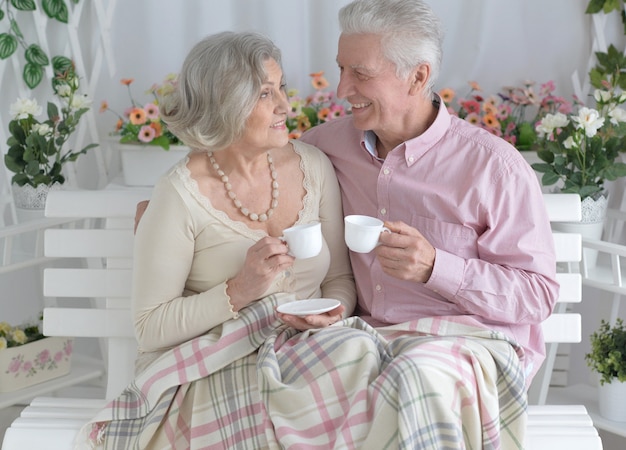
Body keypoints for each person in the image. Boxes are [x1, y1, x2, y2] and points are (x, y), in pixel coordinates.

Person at [299, 0, 559, 447]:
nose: (342, 88)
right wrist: (173, 203)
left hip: (469, 344)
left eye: (360, 73)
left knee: (414, 378)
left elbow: (536, 296)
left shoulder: (493, 167)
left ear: (417, 77)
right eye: (341, 69)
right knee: (275, 375)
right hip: (367, 340)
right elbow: (259, 182)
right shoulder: (323, 147)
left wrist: (436, 267)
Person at [78, 31, 355, 448]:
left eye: (281, 87)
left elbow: (339, 280)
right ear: (226, 104)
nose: (285, 105)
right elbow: (150, 328)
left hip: (308, 352)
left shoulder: (312, 166)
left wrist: (334, 313)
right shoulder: (179, 194)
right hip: (213, 364)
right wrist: (241, 290)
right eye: (265, 94)